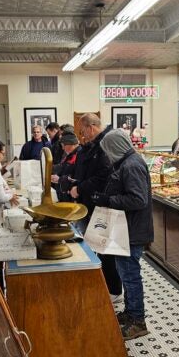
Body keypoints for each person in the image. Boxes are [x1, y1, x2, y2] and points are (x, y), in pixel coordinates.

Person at [92, 129, 153, 340]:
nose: (107, 156)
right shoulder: (126, 163)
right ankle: (130, 312)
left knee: (130, 275)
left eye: (108, 151)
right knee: (125, 273)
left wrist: (110, 200)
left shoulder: (132, 165)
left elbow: (138, 200)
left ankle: (138, 320)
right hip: (124, 228)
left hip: (132, 230)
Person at [71, 113, 122, 300]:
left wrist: (81, 187)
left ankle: (114, 290)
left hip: (103, 203)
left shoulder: (105, 144)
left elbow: (103, 176)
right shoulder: (94, 144)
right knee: (98, 247)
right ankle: (106, 285)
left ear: (92, 127)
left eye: (84, 132)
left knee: (106, 249)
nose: (83, 136)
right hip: (93, 201)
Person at [51, 130, 80, 202]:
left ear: (71, 144)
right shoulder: (70, 155)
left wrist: (60, 179)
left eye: (63, 146)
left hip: (73, 196)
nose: (63, 148)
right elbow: (63, 168)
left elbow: (76, 176)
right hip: (65, 195)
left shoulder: (79, 155)